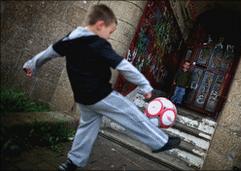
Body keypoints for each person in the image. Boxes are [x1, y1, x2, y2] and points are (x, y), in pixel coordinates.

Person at [23, 4, 180, 171]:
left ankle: (73, 162)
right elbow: (123, 66)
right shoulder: (97, 43)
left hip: (83, 98)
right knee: (131, 113)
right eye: (110, 32)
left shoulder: (70, 39)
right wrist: (144, 85)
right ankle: (160, 142)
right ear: (99, 25)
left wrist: (31, 64)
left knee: (87, 128)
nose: (109, 37)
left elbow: (50, 51)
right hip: (101, 95)